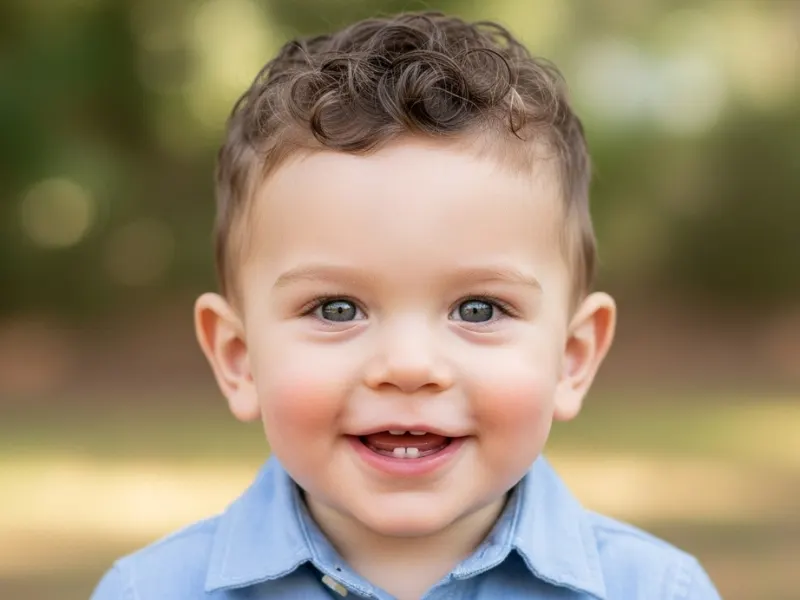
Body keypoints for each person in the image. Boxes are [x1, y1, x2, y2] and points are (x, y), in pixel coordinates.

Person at [91, 11, 721, 600]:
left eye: (478, 309)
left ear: (572, 357)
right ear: (238, 357)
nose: (409, 366)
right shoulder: (148, 592)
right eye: (337, 309)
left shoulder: (657, 590)